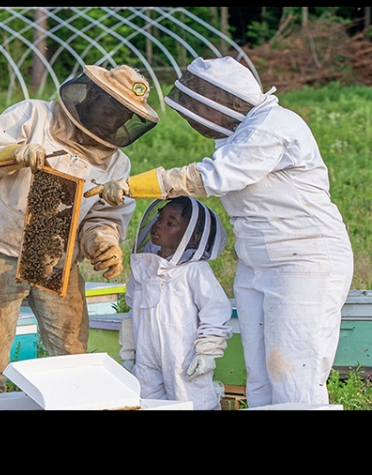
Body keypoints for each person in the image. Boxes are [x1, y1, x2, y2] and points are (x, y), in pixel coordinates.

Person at [89, 56, 353, 407]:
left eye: (198, 107)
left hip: (304, 261)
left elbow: (211, 177)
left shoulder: (273, 126)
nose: (192, 118)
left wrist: (133, 185)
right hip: (256, 261)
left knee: (293, 371)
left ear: (227, 100)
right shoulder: (238, 135)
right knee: (259, 373)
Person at [0, 64, 160, 394]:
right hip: (2, 245)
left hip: (58, 257)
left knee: (71, 350)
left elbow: (103, 220)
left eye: (126, 118)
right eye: (113, 111)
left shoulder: (118, 163)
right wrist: (13, 154)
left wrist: (103, 243)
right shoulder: (34, 115)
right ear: (91, 94)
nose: (117, 123)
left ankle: (71, 400)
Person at [118, 196, 232, 410]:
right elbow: (133, 312)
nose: (159, 225)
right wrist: (129, 353)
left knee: (192, 403)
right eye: (160, 218)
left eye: (171, 223)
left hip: (182, 359)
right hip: (146, 357)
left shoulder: (195, 271)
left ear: (192, 236)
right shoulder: (144, 269)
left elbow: (215, 312)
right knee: (146, 403)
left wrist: (207, 352)